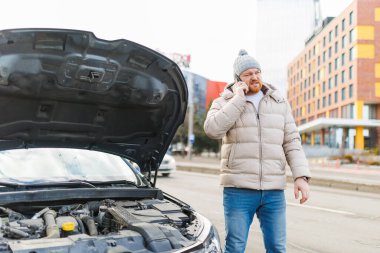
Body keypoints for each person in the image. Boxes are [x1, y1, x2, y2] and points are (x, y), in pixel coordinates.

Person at [203, 49, 311, 253]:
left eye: (257, 72)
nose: (254, 77)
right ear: (238, 79)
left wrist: (301, 177)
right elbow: (212, 130)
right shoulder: (223, 102)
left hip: (273, 190)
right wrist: (238, 99)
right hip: (238, 189)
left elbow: (292, 141)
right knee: (235, 247)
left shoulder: (278, 102)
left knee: (277, 248)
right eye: (248, 74)